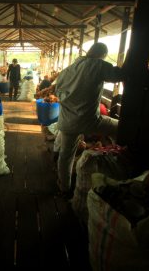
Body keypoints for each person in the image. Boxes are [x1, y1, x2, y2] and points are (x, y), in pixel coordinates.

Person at [55, 42, 129, 195]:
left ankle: (64, 187)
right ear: (102, 55)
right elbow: (120, 75)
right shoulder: (98, 65)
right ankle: (116, 166)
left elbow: (58, 93)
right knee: (120, 127)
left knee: (66, 154)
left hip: (67, 122)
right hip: (90, 121)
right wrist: (129, 55)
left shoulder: (67, 70)